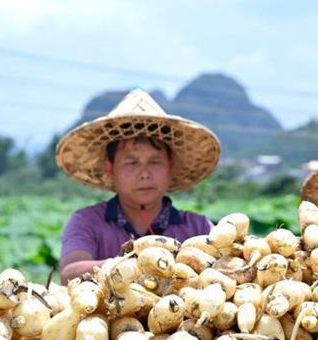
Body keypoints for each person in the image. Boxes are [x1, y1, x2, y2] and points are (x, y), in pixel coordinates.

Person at [56, 88, 220, 282]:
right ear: (111, 168)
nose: (144, 174)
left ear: (170, 165)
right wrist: (140, 261)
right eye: (131, 163)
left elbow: (231, 262)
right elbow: (70, 272)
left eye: (155, 161)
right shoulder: (87, 221)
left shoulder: (197, 227)